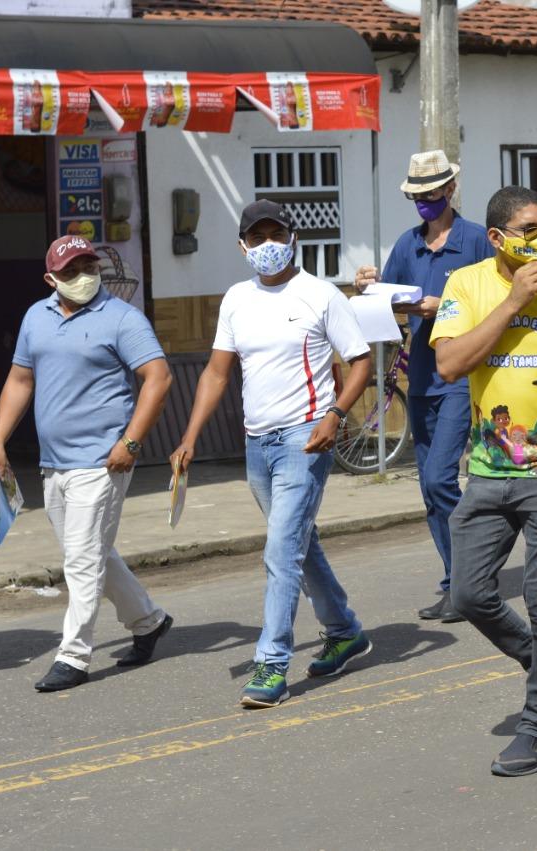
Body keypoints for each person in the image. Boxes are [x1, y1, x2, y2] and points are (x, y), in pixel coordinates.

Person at [171, 200, 374, 709]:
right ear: (242, 246)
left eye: (275, 234)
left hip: (305, 438)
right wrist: (190, 436)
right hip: (256, 442)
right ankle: (345, 630)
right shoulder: (236, 300)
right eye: (256, 237)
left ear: (293, 238)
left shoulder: (320, 295)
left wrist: (335, 416)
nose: (266, 246)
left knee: (281, 551)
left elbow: (360, 361)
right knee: (299, 542)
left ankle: (272, 663)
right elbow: (217, 372)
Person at [430, 186, 537, 777]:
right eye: (529, 230)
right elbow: (451, 364)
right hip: (488, 465)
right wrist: (511, 303)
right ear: (499, 237)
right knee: (469, 593)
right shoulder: (468, 285)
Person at [0, 236, 174, 692]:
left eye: (89, 265)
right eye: (71, 271)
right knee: (86, 552)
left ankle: (73, 656)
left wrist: (130, 441)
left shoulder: (122, 319)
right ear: (51, 279)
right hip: (55, 464)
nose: (84, 276)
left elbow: (158, 378)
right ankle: (148, 622)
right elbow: (19, 379)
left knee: (82, 560)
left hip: (103, 462)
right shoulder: (37, 316)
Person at [355, 150, 494, 623]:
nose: (423, 203)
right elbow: (385, 299)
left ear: (449, 190)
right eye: (416, 196)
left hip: (462, 378)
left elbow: (502, 305)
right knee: (431, 490)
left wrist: (449, 308)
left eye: (430, 194)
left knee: (439, 478)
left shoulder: (477, 241)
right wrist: (367, 285)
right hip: (422, 379)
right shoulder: (408, 245)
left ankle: (468, 579)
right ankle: (459, 580)